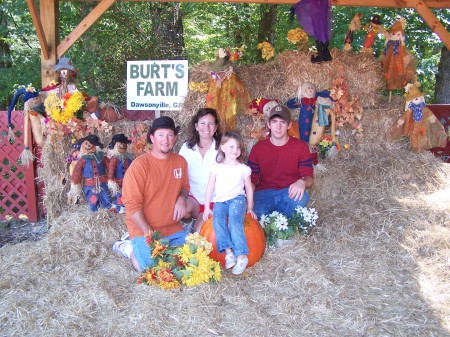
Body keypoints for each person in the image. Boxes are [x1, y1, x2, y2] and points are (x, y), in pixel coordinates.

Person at [121, 116, 190, 272]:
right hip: (145, 231)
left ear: (175, 138)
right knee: (153, 271)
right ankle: (129, 248)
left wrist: (181, 197)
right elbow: (132, 206)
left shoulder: (180, 162)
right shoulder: (140, 166)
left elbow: (185, 186)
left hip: (173, 228)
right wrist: (150, 235)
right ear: (152, 138)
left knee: (191, 262)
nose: (165, 140)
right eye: (160, 135)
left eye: (169, 135)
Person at [203, 131, 256, 275]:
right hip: (220, 201)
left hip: (237, 199)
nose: (235, 150)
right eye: (231, 147)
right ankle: (228, 253)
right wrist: (207, 207)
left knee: (234, 222)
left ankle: (241, 255)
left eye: (238, 148)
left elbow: (249, 189)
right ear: (223, 147)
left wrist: (250, 207)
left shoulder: (243, 169)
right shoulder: (216, 167)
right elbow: (210, 187)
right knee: (218, 221)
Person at [247, 105, 314, 220]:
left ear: (289, 125)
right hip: (263, 194)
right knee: (250, 211)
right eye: (274, 122)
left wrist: (302, 182)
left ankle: (282, 223)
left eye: (282, 122)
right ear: (269, 124)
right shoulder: (257, 149)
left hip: (288, 194)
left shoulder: (300, 147)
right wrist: (246, 199)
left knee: (303, 198)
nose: (278, 127)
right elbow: (251, 181)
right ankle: (277, 222)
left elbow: (309, 178)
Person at [179, 108, 222, 233]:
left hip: (214, 201)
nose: (206, 127)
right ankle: (190, 221)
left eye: (211, 123)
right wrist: (179, 199)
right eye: (203, 123)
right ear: (196, 126)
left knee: (201, 235)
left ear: (216, 127)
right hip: (193, 199)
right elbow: (178, 173)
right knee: (177, 210)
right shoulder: (187, 147)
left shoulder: (222, 148)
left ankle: (197, 224)